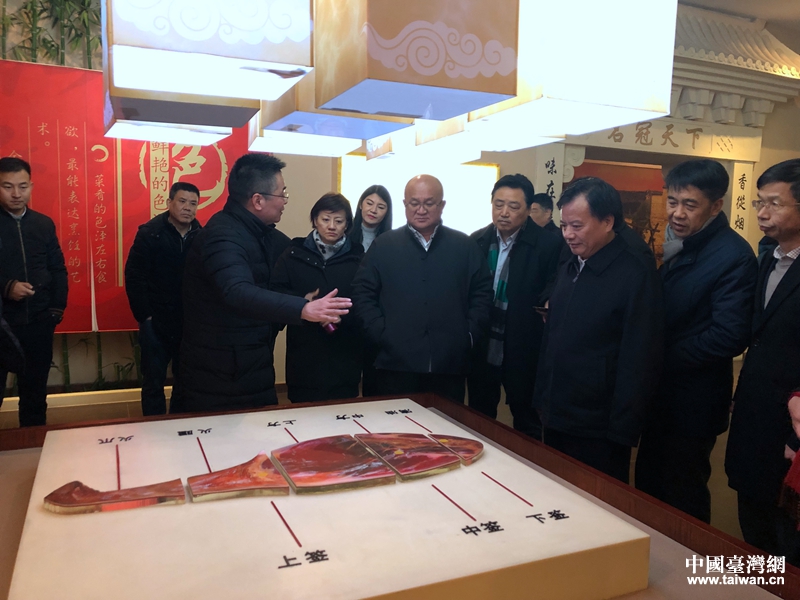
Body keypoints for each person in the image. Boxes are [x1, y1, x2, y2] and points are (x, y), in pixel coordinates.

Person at [179, 153, 352, 413]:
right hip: (220, 373)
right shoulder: (223, 235)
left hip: (249, 364)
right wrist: (303, 309)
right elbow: (237, 291)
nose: (285, 202)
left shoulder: (265, 236)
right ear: (258, 200)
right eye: (282, 194)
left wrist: (302, 300)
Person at [635, 159, 757, 523]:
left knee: (682, 496)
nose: (677, 213)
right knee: (649, 486)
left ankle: (691, 558)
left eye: (690, 205)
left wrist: (661, 355)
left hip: (693, 402)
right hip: (663, 394)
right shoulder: (683, 242)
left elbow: (729, 335)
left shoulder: (733, 256)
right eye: (672, 201)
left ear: (716, 206)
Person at [533, 177, 663, 483]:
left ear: (607, 222)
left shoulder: (635, 274)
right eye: (564, 225)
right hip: (557, 411)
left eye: (577, 226)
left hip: (598, 425)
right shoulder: (572, 263)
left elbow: (640, 356)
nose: (568, 234)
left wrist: (623, 428)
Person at [352, 174, 493, 403]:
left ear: (442, 205)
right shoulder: (384, 245)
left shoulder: (464, 246)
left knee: (445, 424)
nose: (421, 210)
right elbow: (362, 292)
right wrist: (380, 332)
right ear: (405, 204)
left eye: (429, 203)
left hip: (449, 364)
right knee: (396, 423)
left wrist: (468, 334)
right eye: (414, 203)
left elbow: (482, 293)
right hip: (395, 362)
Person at [726, 158, 800, 564]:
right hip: (755, 414)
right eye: (759, 202)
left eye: (774, 203)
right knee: (752, 526)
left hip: (792, 426)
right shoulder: (768, 258)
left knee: (786, 538)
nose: (762, 213)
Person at [468, 175, 561, 439]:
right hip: (484, 340)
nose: (504, 212)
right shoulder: (477, 241)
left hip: (524, 345)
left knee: (526, 419)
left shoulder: (549, 245)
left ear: (529, 209)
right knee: (479, 415)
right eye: (498, 204)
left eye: (513, 206)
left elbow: (555, 284)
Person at [271, 193, 364, 403]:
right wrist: (302, 303)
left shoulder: (359, 258)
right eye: (325, 219)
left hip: (344, 352)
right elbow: (275, 292)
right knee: (304, 412)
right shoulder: (293, 254)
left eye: (339, 221)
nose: (331, 226)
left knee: (343, 412)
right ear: (315, 220)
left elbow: (366, 301)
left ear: (347, 225)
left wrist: (342, 316)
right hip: (304, 351)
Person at [0, 157, 68, 427]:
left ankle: (34, 445)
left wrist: (56, 310)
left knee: (35, 394)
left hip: (38, 323)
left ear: (31, 186)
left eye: (22, 186)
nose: (16, 194)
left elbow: (57, 268)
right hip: (3, 324)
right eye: (7, 187)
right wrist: (7, 287)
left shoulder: (43, 224)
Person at [124, 182, 202, 416]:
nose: (187, 208)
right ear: (169, 203)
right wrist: (145, 316)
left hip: (188, 321)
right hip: (155, 320)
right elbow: (134, 276)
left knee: (185, 379)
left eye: (193, 203)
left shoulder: (202, 236)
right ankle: (153, 427)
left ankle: (178, 425)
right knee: (153, 381)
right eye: (182, 201)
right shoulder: (150, 233)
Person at [349, 185, 393, 252]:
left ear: (387, 212)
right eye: (369, 203)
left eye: (380, 207)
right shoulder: (345, 234)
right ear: (360, 204)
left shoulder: (391, 241)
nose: (373, 210)